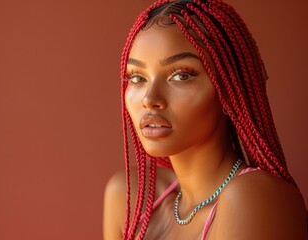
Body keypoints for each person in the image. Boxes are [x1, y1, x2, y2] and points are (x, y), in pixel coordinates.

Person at [103, 0, 307, 239]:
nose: (149, 98)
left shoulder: (253, 198)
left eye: (181, 75)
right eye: (137, 77)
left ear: (230, 88)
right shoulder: (131, 196)